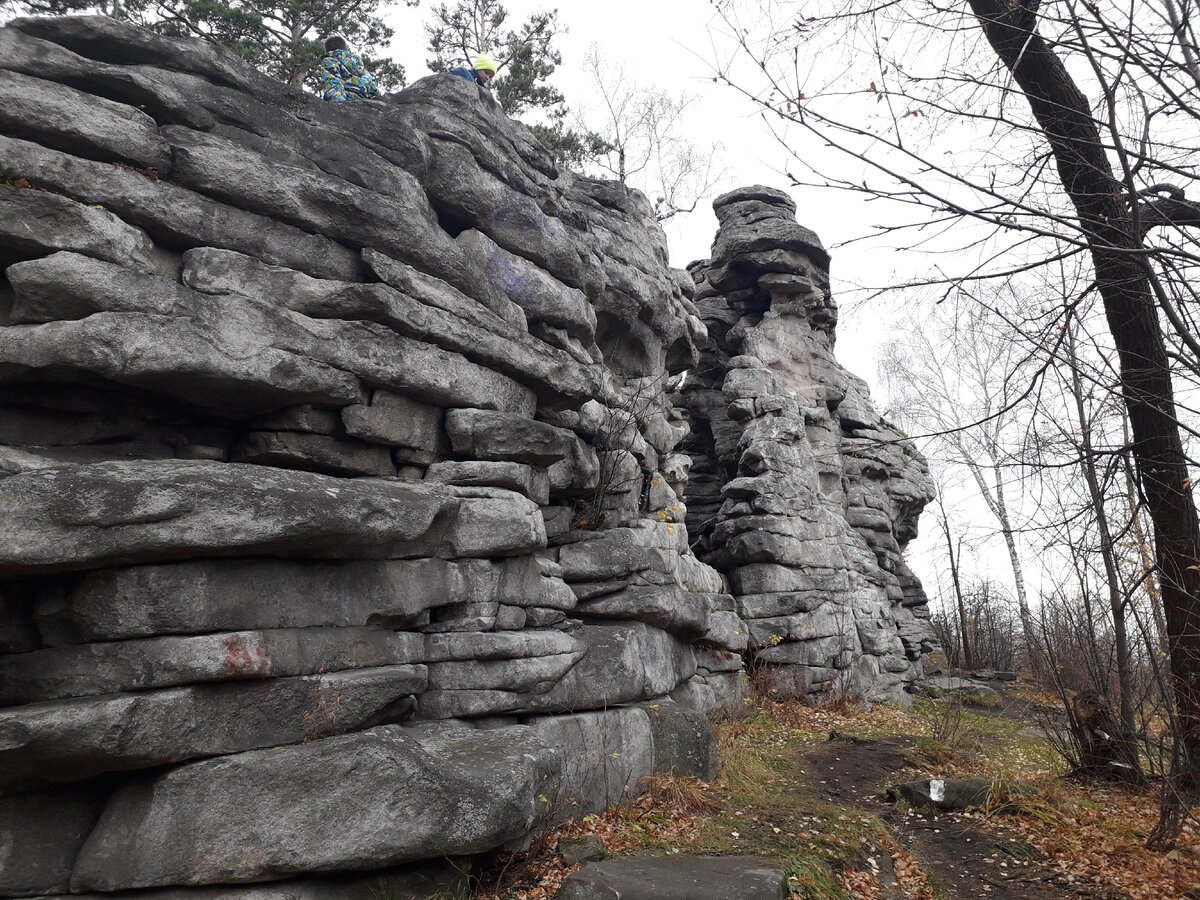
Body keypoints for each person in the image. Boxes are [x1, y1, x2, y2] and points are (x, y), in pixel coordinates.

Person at [319, 36, 380, 103]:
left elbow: (331, 82)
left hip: (347, 100)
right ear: (345, 48)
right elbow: (372, 86)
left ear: (328, 51)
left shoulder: (329, 61)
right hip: (364, 101)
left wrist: (339, 105)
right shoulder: (358, 64)